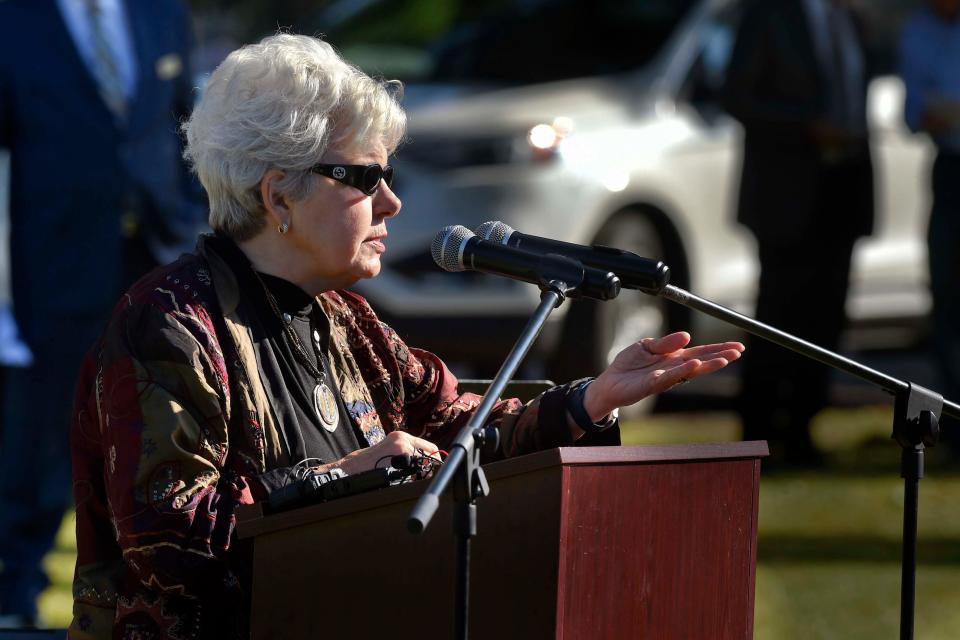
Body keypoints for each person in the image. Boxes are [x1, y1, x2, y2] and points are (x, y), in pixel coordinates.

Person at [67, 34, 745, 639]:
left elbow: (453, 430)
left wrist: (589, 400)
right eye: (365, 178)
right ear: (278, 196)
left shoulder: (347, 320)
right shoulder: (170, 323)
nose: (392, 202)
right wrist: (338, 482)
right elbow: (165, 542)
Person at [0, 0, 203, 626]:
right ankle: (14, 602)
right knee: (42, 443)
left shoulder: (159, 12)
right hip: (51, 269)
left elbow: (181, 122)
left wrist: (199, 228)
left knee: (161, 435)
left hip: (157, 257)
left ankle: (152, 605)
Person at [723, 0, 874, 464]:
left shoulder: (846, 15)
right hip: (786, 193)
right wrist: (806, 127)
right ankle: (760, 435)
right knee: (777, 316)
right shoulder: (769, 13)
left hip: (842, 187)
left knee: (826, 315)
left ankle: (804, 431)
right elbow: (736, 95)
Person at [899, 0, 960, 452]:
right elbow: (912, 112)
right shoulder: (918, 31)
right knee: (949, 293)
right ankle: (955, 423)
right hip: (951, 168)